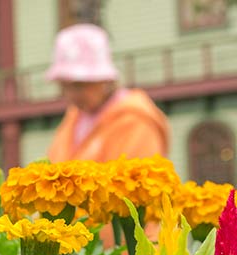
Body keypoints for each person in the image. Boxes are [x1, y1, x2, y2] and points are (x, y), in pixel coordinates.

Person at [45, 24, 170, 162]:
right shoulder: (74, 119)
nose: (71, 95)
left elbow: (137, 180)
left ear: (105, 80)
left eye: (79, 85)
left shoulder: (136, 122)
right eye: (64, 86)